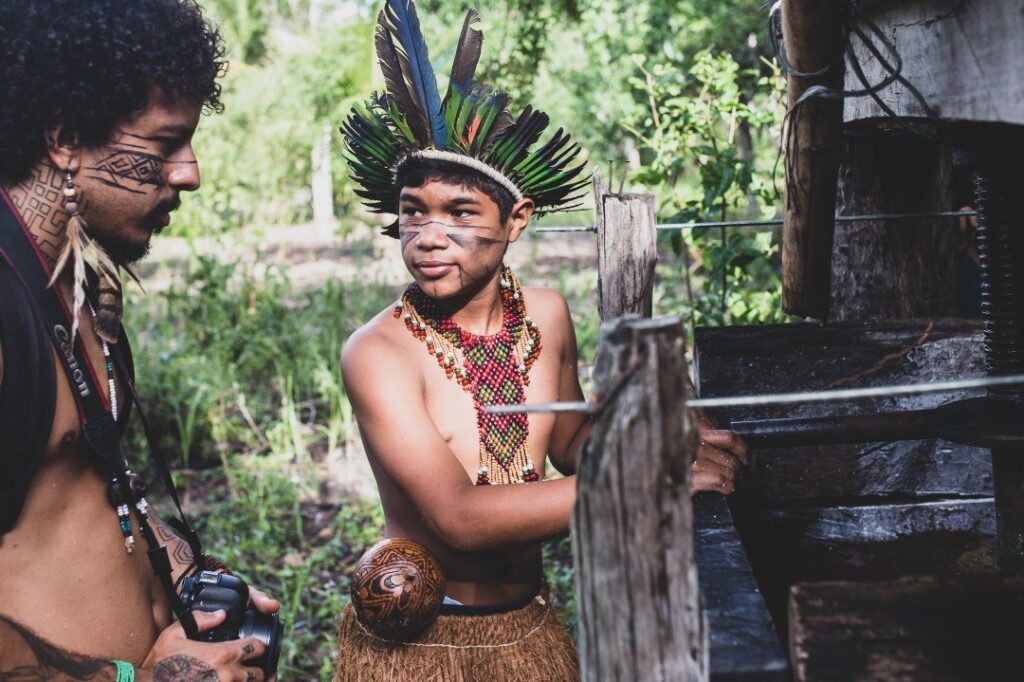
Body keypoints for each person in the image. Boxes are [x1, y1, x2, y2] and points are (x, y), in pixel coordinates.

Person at [335, 2, 748, 678]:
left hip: (527, 627)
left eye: (460, 212)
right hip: (428, 645)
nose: (429, 236)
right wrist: (645, 476)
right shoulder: (379, 353)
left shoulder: (546, 317)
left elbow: (567, 444)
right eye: (413, 213)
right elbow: (459, 518)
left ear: (516, 219)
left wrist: (658, 434)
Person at [0, 1, 279, 680]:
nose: (191, 173)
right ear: (65, 138)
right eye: (163, 145)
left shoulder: (76, 283)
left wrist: (180, 566)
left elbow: (85, 487)